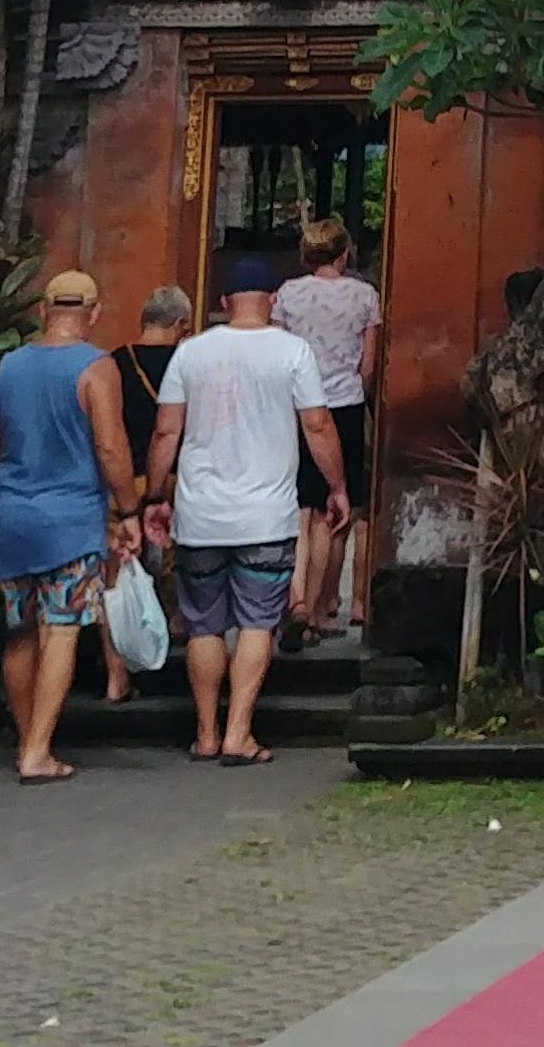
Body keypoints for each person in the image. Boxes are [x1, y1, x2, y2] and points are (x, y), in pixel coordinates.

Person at [144, 255, 347, 765]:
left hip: (200, 516)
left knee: (204, 625)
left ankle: (207, 734)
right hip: (266, 515)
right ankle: (240, 733)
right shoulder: (292, 351)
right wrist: (337, 486)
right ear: (274, 300)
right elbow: (318, 425)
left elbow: (167, 430)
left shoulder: (190, 352)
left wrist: (151, 497)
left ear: (222, 303)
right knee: (257, 623)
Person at [0, 268, 143, 783]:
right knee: (61, 629)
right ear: (93, 315)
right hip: (70, 521)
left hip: (14, 518)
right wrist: (128, 510)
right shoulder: (96, 368)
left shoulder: (6, 369)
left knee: (20, 631)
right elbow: (110, 447)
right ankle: (38, 751)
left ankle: (29, 739)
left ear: (43, 312)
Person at [273, 220, 380, 638]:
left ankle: (294, 596)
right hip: (345, 406)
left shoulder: (287, 294)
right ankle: (318, 610)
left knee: (299, 508)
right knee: (334, 512)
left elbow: (278, 352)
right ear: (344, 254)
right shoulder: (364, 296)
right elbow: (367, 366)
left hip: (296, 407)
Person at [94, 286, 192, 702]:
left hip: (120, 478)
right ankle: (171, 643)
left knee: (115, 575)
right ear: (181, 324)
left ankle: (116, 672)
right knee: (176, 564)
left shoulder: (113, 363)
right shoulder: (187, 362)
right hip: (172, 479)